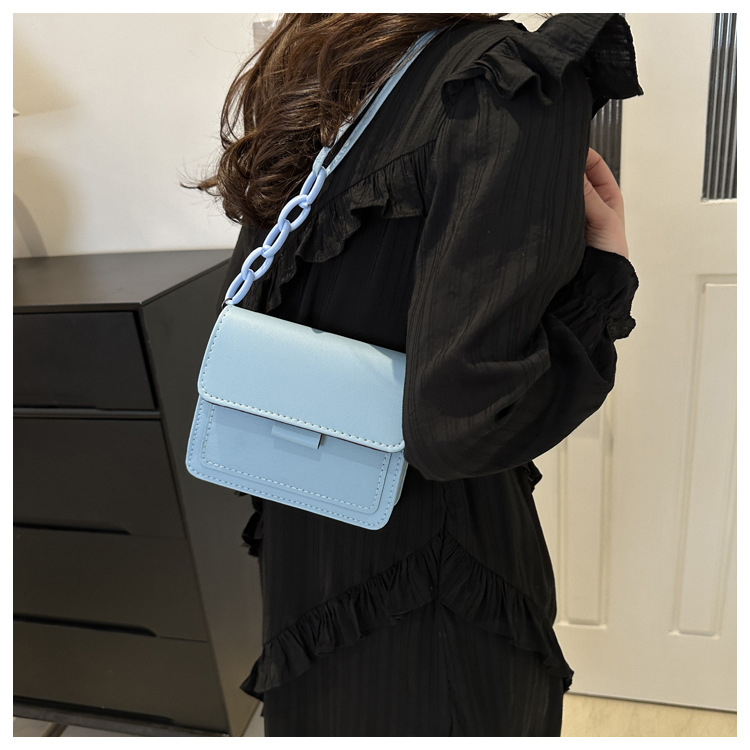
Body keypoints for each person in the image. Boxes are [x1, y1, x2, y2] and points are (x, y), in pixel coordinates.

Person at [195, 12, 643, 737]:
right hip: (432, 583)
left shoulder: (322, 62)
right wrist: (607, 268)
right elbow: (465, 426)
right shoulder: (507, 82)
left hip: (309, 538)